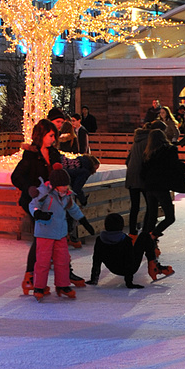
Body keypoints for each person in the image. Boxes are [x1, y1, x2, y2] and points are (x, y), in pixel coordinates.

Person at [10, 118, 86, 294]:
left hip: (54, 203)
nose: (54, 138)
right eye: (51, 135)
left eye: (54, 135)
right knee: (42, 238)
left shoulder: (53, 153)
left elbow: (61, 170)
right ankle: (30, 276)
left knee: (60, 237)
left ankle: (65, 274)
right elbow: (16, 177)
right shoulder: (30, 156)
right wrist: (29, 188)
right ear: (42, 135)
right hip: (35, 203)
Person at [28, 165, 94, 300]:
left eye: (66, 185)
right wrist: (38, 213)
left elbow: (73, 209)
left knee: (62, 260)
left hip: (60, 234)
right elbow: (33, 205)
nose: (65, 187)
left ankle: (63, 285)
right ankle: (39, 286)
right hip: (45, 234)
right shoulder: (44, 194)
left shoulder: (67, 196)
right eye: (62, 185)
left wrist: (83, 221)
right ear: (55, 185)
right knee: (43, 262)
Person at [86, 212, 173, 287]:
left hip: (114, 268)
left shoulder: (100, 240)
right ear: (121, 226)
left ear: (105, 226)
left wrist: (94, 279)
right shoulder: (125, 240)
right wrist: (129, 283)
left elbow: (96, 259)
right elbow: (129, 260)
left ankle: (153, 267)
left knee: (142, 238)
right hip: (130, 269)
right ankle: (153, 266)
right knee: (144, 236)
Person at [141, 127, 185, 244]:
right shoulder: (169, 150)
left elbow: (143, 172)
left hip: (149, 187)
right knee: (169, 217)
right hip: (161, 187)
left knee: (152, 217)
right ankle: (153, 236)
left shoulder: (147, 154)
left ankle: (149, 244)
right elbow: (175, 165)